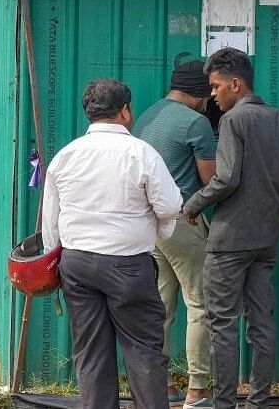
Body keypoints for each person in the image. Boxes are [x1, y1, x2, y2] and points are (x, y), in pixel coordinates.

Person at [182, 48, 279, 409]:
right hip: (267, 238)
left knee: (223, 325)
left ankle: (225, 404)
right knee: (262, 323)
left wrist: (194, 204)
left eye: (215, 87)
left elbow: (226, 179)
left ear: (235, 83)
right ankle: (258, 402)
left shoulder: (233, 122)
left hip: (229, 240)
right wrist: (273, 190)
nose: (212, 95)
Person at [41, 79, 183, 409]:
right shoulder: (141, 153)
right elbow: (170, 206)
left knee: (90, 352)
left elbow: (51, 224)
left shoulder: (66, 156)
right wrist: (159, 231)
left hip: (76, 264)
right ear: (125, 111)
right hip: (128, 265)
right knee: (143, 350)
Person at [132, 60, 218, 407]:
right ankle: (198, 390)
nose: (211, 98)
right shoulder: (196, 122)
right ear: (198, 93)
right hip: (184, 223)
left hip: (150, 226)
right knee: (199, 303)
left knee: (160, 308)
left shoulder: (146, 118)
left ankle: (162, 385)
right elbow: (212, 181)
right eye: (208, 92)